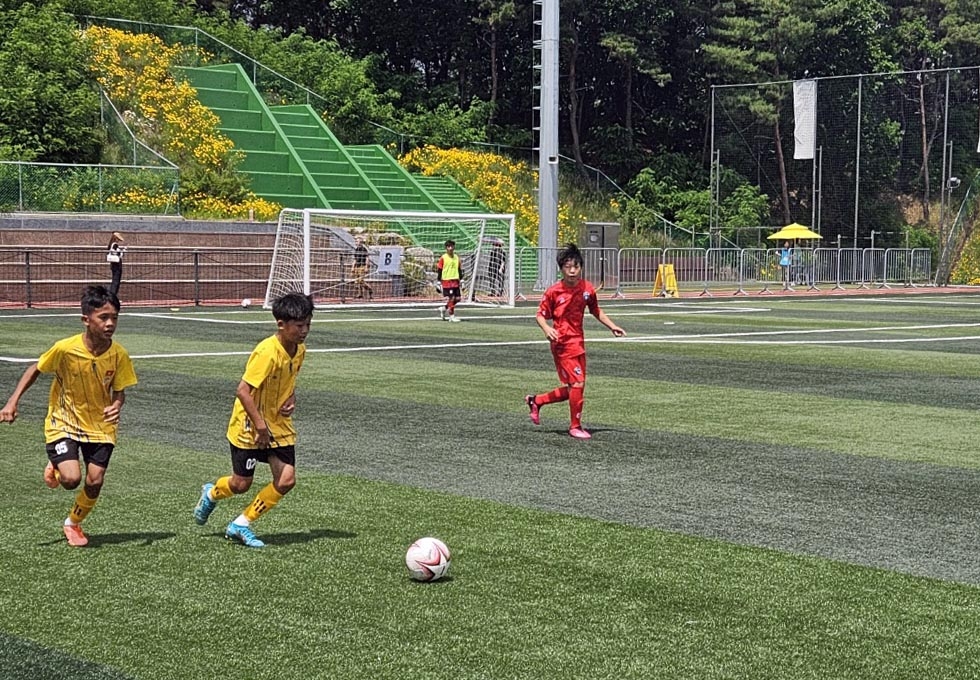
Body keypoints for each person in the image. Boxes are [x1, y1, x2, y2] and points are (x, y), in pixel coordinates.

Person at [0, 285, 138, 547]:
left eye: (115, 318)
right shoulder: (65, 348)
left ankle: (73, 523)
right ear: (86, 320)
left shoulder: (119, 354)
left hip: (101, 426)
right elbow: (35, 369)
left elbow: (120, 392)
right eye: (104, 318)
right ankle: (57, 463)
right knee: (71, 480)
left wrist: (117, 405)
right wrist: (12, 402)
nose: (110, 324)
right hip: (63, 421)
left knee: (95, 481)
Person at [193, 292, 314, 548]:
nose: (304, 331)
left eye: (307, 324)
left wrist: (291, 397)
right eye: (299, 325)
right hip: (249, 425)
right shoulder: (267, 352)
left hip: (277, 424)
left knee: (286, 480)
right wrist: (260, 426)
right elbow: (242, 391)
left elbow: (289, 381)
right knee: (240, 484)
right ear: (281, 324)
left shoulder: (299, 350)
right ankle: (211, 493)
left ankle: (241, 524)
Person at [525, 243, 625, 440]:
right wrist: (547, 328)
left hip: (579, 342)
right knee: (577, 384)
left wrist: (612, 326)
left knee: (575, 387)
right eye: (568, 267)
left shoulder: (587, 289)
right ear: (561, 268)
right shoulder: (554, 291)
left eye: (576, 266)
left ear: (581, 267)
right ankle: (575, 426)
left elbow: (596, 311)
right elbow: (540, 315)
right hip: (562, 344)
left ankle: (536, 401)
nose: (572, 271)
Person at [436, 239, 463, 322]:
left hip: (455, 280)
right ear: (446, 248)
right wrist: (438, 281)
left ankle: (444, 308)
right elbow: (439, 270)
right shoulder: (443, 258)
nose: (450, 248)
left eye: (452, 246)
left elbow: (459, 269)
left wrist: (462, 280)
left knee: (458, 299)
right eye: (448, 247)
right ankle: (452, 316)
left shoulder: (457, 257)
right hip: (447, 280)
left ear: (454, 247)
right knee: (452, 298)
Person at [107, 232, 125, 297]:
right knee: (116, 281)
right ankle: (113, 295)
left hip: (114, 264)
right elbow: (118, 254)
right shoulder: (115, 245)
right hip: (116, 265)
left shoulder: (111, 244)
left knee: (115, 280)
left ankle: (112, 295)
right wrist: (123, 251)